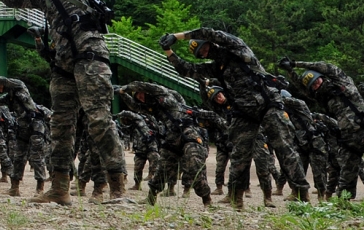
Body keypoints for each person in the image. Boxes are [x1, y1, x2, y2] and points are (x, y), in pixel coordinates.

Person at [0, 0, 127, 205]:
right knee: (60, 126)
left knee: (99, 119)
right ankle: (59, 188)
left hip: (89, 56)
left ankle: (118, 188)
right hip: (63, 65)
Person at [160, 28, 309, 208]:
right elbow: (188, 70)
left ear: (209, 43)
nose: (206, 53)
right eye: (203, 54)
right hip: (244, 111)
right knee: (239, 154)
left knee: (284, 146)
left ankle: (302, 193)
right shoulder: (217, 67)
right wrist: (168, 51)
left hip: (267, 102)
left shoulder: (236, 48)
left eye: (205, 49)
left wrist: (177, 36)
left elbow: (211, 33)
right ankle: (236, 198)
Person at [115, 82, 213, 208]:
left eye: (140, 94)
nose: (140, 97)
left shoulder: (162, 93)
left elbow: (145, 86)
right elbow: (135, 107)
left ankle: (207, 199)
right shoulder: (151, 107)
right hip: (172, 136)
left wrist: (125, 88)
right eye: (137, 96)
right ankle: (151, 197)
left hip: (188, 132)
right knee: (163, 168)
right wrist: (122, 94)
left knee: (194, 165)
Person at [280, 58, 364, 200]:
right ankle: (344, 201)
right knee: (347, 170)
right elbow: (302, 88)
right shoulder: (323, 97)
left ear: (322, 78)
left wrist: (296, 63)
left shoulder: (341, 81)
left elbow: (325, 66)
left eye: (317, 81)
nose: (316, 86)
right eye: (313, 86)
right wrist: (290, 71)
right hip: (349, 136)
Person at [0, 76, 49, 197]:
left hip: (35, 124)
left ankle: (40, 189)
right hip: (22, 126)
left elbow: (3, 80)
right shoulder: (8, 97)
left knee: (37, 156)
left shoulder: (19, 85)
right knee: (18, 157)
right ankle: (14, 188)